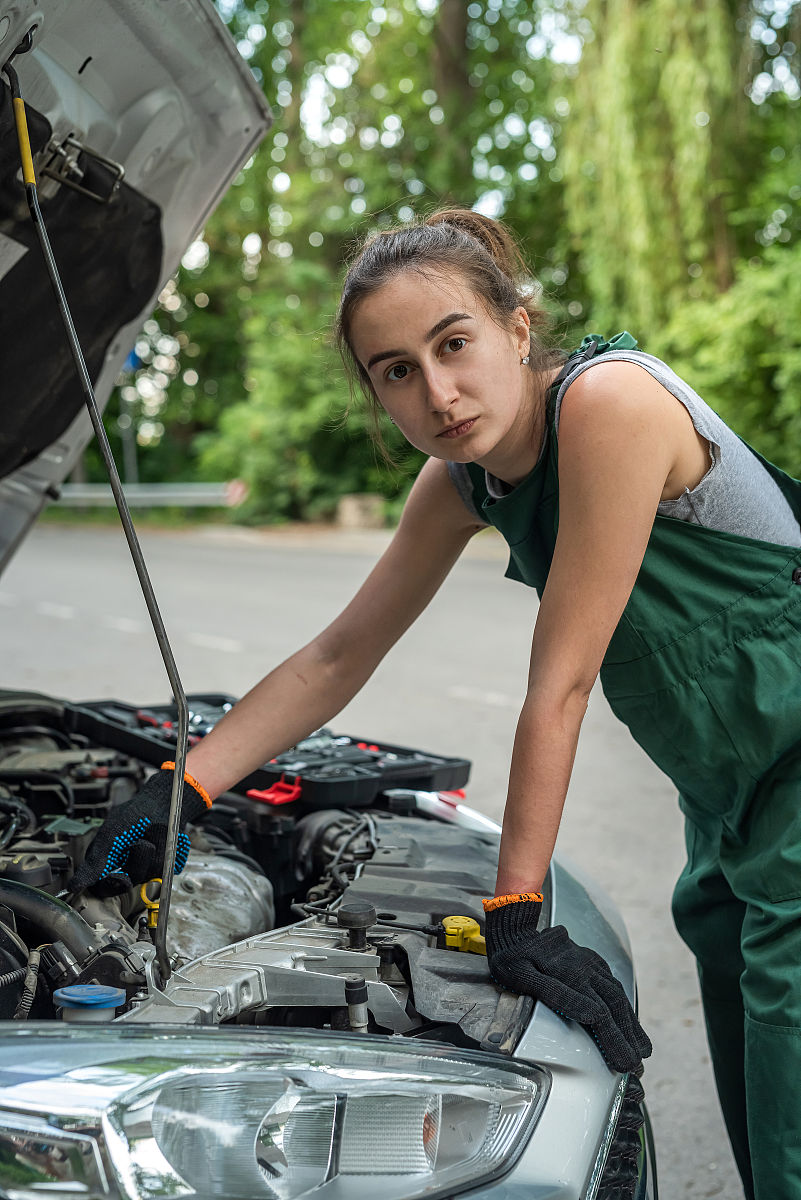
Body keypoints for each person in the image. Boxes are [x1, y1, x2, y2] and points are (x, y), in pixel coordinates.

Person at [69, 208, 801, 1200]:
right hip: (732, 806)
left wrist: (516, 912)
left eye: (453, 344)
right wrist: (182, 789)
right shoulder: (464, 481)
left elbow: (562, 683)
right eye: (396, 371)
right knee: (770, 1125)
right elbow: (336, 656)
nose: (439, 391)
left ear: (518, 329)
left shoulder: (610, 406)